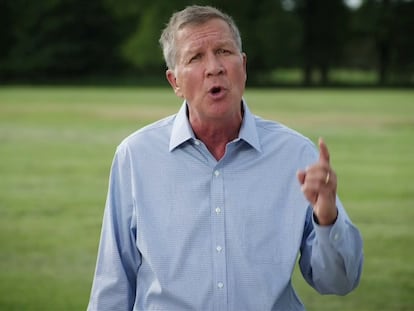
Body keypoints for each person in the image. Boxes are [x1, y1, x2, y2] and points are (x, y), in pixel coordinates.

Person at [87, 5, 363, 311]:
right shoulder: (135, 157)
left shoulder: (296, 154)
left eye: (224, 51)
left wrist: (327, 218)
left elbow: (339, 282)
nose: (214, 67)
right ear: (174, 82)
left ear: (242, 66)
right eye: (195, 57)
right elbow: (113, 284)